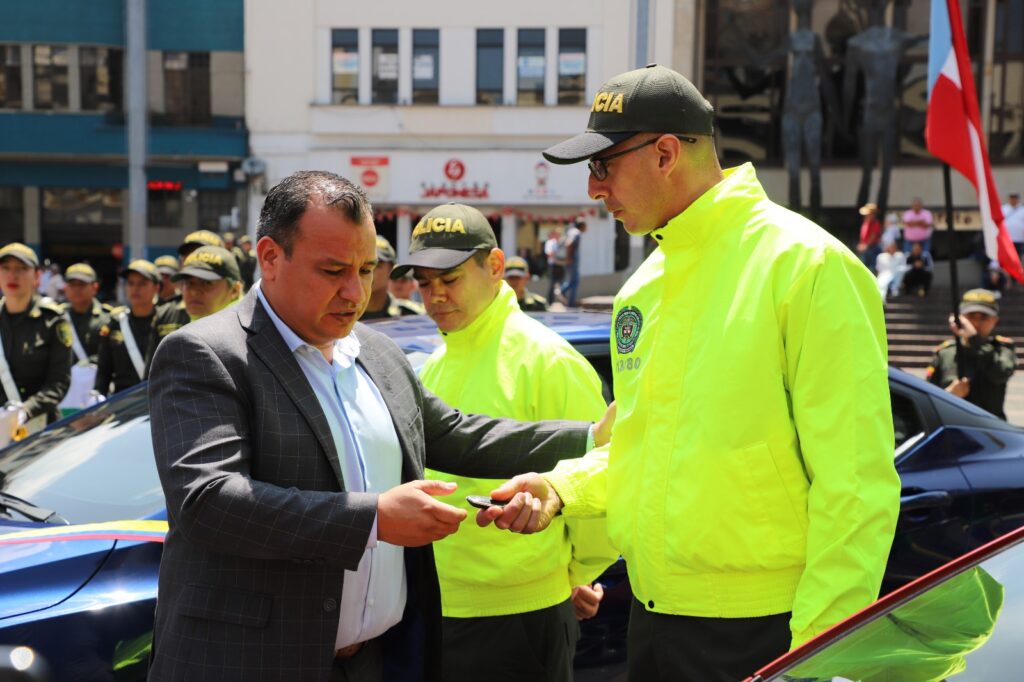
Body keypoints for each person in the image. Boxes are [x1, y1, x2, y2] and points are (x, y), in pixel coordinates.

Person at [478, 64, 901, 681]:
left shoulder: (807, 267)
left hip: (772, 630)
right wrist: (560, 488)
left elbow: (857, 483)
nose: (594, 189)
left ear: (666, 153)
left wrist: (815, 653)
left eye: (602, 166)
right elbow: (643, 445)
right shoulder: (643, 287)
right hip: (654, 623)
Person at [145, 170, 609, 682]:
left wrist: (590, 437)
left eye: (367, 269)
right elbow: (207, 501)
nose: (355, 291)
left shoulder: (377, 351)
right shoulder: (206, 352)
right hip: (252, 662)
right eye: (333, 270)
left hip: (377, 661)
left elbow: (453, 433)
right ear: (271, 257)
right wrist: (373, 520)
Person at [392, 203, 615, 681]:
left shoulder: (548, 360)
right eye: (424, 283)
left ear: (494, 267)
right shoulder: (431, 365)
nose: (434, 296)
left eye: (448, 280)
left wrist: (574, 577)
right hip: (438, 610)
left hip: (522, 614)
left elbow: (604, 482)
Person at [0, 243, 72, 429]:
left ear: (37, 276)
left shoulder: (53, 320)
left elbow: (59, 381)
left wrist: (28, 410)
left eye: (21, 268)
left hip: (39, 426)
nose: (12, 275)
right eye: (5, 268)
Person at [927, 288, 1016, 420]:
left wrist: (974, 339)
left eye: (984, 317)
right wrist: (948, 395)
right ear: (959, 318)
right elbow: (927, 397)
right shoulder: (945, 353)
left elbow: (1001, 372)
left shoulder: (1002, 349)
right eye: (971, 316)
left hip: (991, 429)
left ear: (995, 320)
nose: (976, 323)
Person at [94, 260, 162, 396]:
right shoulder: (116, 322)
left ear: (156, 288)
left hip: (159, 401)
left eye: (142, 284)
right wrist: (98, 396)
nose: (135, 289)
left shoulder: (166, 320)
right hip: (123, 404)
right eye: (131, 283)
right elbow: (104, 369)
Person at [59, 263, 112, 411]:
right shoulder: (56, 317)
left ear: (94, 287)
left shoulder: (107, 318)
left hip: (95, 392)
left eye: (81, 284)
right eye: (72, 284)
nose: (76, 289)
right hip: (64, 393)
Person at [172, 246, 244, 320]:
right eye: (189, 283)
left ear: (234, 291)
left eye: (207, 283)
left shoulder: (248, 328)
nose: (194, 292)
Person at [360, 236, 423, 320]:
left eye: (376, 265)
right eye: (362, 264)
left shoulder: (414, 316)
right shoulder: (341, 315)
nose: (368, 271)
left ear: (391, 269)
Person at [560, 220, 586, 306]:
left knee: (572, 281)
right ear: (582, 226)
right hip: (572, 261)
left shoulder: (571, 231)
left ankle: (562, 292)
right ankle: (570, 302)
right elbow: (569, 244)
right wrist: (569, 258)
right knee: (574, 282)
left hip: (571, 260)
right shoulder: (576, 233)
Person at [857, 202, 883, 271]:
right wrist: (861, 244)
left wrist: (865, 245)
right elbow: (863, 235)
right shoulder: (866, 222)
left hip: (872, 247)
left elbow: (873, 236)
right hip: (865, 247)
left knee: (871, 268)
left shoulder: (875, 223)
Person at [544, 229, 566, 303]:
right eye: (557, 234)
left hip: (560, 265)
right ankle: (550, 302)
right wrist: (557, 259)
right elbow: (549, 253)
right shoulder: (550, 242)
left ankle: (565, 302)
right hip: (553, 266)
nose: (558, 235)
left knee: (563, 283)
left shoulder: (560, 242)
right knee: (552, 285)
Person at [1002, 192, 1024, 260]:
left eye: (1015, 198)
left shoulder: (1022, 209)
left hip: (1019, 239)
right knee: (1007, 257)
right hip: (1006, 238)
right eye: (1012, 198)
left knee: (1017, 257)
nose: (1013, 200)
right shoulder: (1003, 208)